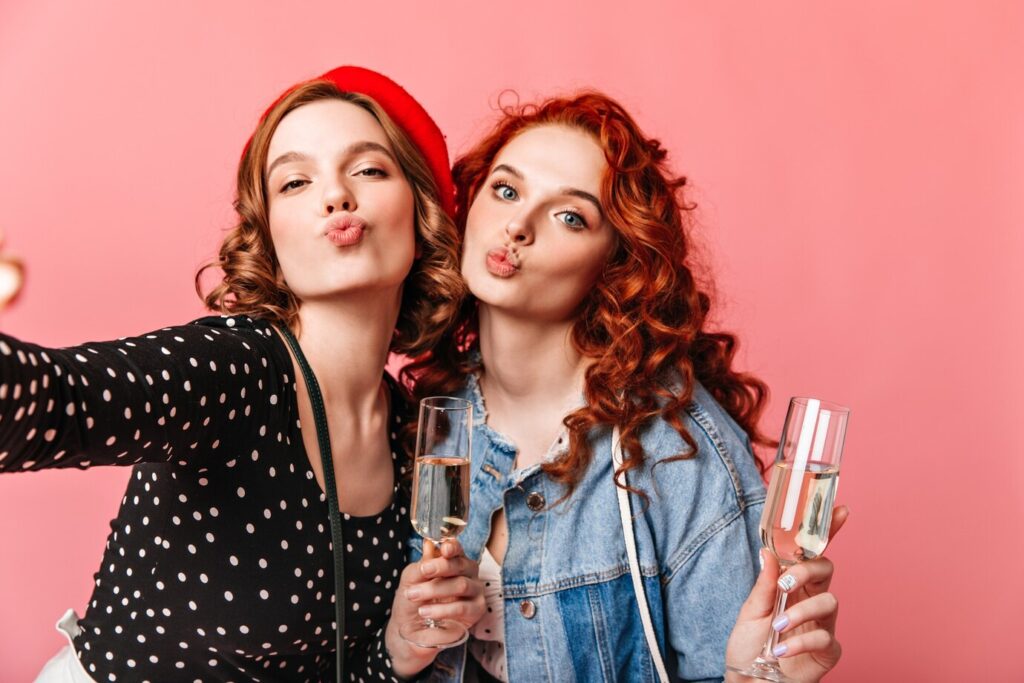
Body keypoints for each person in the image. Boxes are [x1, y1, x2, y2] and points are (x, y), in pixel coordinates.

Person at [0, 66, 484, 682]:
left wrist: (399, 646)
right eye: (295, 182)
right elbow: (61, 400)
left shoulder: (413, 433)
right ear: (270, 235)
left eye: (367, 169)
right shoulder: (233, 367)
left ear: (423, 211)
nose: (334, 195)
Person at [401, 92, 846, 682]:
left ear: (614, 266)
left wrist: (754, 678)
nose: (517, 225)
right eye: (506, 190)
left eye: (570, 217)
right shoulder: (431, 417)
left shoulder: (674, 446)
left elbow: (740, 669)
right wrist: (401, 651)